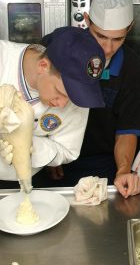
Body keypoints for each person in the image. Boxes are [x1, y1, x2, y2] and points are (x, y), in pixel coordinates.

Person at [42, 0, 140, 198]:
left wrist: (123, 171)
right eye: (100, 36)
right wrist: (46, 154)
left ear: (130, 28)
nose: (108, 48)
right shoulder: (58, 46)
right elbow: (36, 100)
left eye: (117, 39)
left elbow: (127, 130)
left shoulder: (133, 69)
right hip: (52, 154)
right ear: (87, 20)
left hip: (102, 163)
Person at [0, 27, 105, 189]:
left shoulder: (77, 98)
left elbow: (67, 150)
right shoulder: (3, 58)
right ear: (43, 66)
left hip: (29, 182)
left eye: (72, 98)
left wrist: (28, 144)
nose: (63, 104)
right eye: (60, 92)